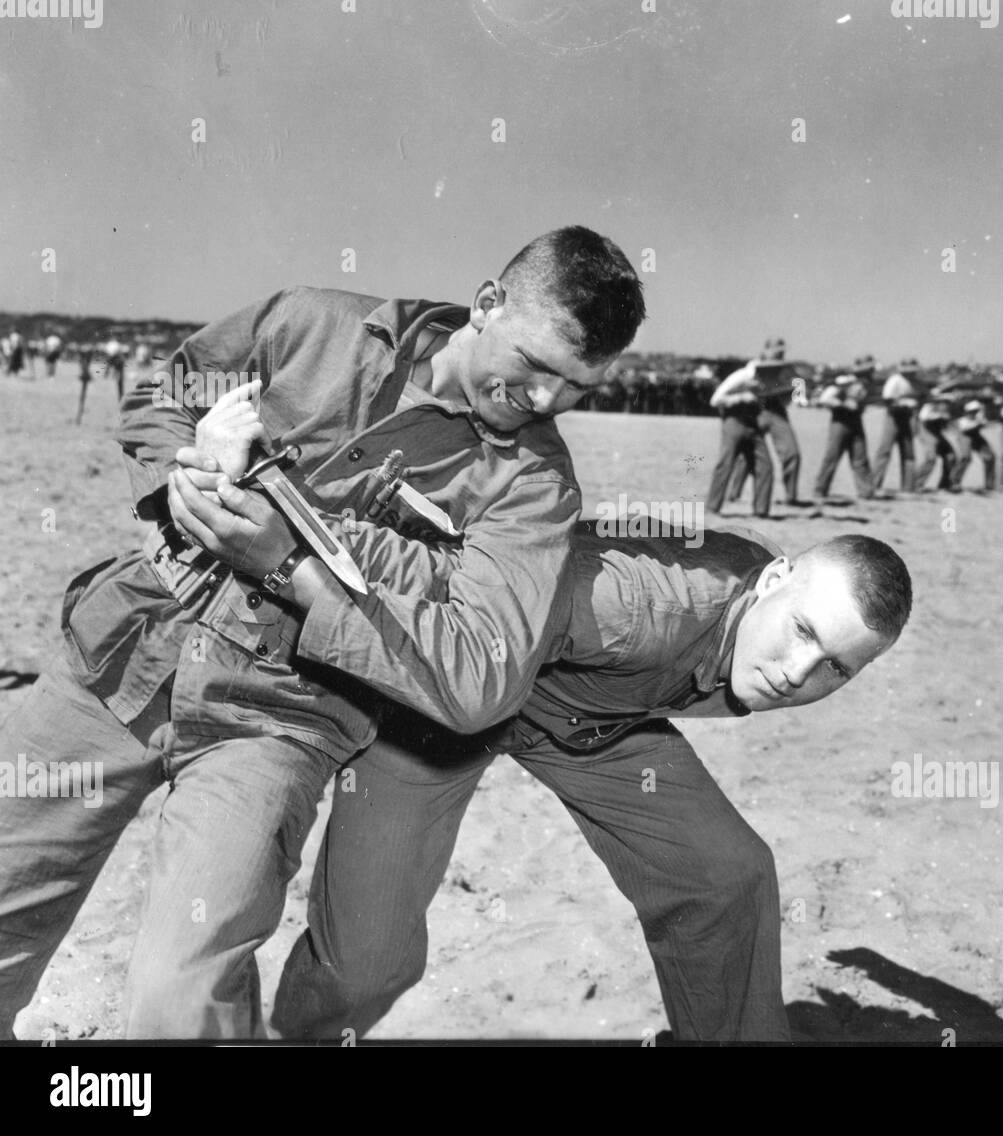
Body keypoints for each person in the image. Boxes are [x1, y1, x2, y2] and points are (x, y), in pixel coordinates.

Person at [0, 226, 646, 1040]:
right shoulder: (310, 324)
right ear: (487, 305)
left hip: (275, 721)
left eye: (578, 387)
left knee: (178, 1001)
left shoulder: (534, 489)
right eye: (538, 365)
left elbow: (484, 673)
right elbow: (169, 395)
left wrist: (286, 569)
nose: (548, 400)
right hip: (124, 652)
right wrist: (180, 475)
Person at [168, 511, 910, 1043]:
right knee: (370, 964)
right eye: (804, 633)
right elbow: (448, 589)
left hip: (589, 714)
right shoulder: (632, 604)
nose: (798, 673)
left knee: (727, 874)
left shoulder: (758, 615)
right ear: (776, 578)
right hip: (450, 708)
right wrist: (281, 550)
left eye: (837, 668)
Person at [727, 337, 805, 507]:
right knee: (749, 453)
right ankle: (734, 492)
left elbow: (798, 389)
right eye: (777, 350)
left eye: (782, 350)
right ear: (766, 350)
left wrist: (794, 394)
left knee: (792, 453)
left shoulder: (787, 369)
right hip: (756, 410)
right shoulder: (753, 367)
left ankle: (790, 497)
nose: (781, 353)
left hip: (777, 412)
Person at [704, 356, 773, 518]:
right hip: (734, 422)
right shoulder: (741, 376)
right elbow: (715, 400)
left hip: (752, 425)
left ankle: (761, 510)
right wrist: (740, 398)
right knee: (725, 463)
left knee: (765, 466)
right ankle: (712, 506)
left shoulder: (766, 379)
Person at [811, 355, 875, 502]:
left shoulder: (866, 384)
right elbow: (826, 398)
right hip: (840, 421)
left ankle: (866, 492)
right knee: (832, 456)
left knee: (860, 457)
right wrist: (844, 404)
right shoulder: (845, 382)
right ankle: (820, 490)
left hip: (856, 420)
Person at [870, 357, 921, 495]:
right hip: (893, 417)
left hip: (908, 417)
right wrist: (903, 403)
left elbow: (921, 397)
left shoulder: (915, 383)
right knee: (885, 450)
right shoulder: (895, 380)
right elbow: (887, 400)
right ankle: (875, 484)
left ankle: (908, 486)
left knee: (908, 453)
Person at [950, 397, 997, 492]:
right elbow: (965, 429)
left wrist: (981, 419)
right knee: (965, 458)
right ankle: (954, 482)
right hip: (965, 436)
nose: (975, 413)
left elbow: (986, 423)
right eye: (974, 411)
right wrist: (979, 423)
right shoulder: (962, 421)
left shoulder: (978, 418)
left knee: (989, 457)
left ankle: (989, 484)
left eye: (976, 411)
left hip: (976, 436)